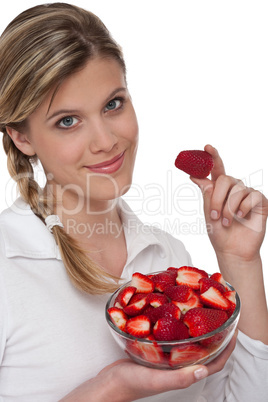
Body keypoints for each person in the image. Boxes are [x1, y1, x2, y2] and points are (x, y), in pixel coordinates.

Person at [0, 3, 267, 401]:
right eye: (67, 121)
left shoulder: (167, 259)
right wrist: (109, 389)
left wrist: (240, 263)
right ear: (22, 138)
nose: (106, 140)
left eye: (113, 104)